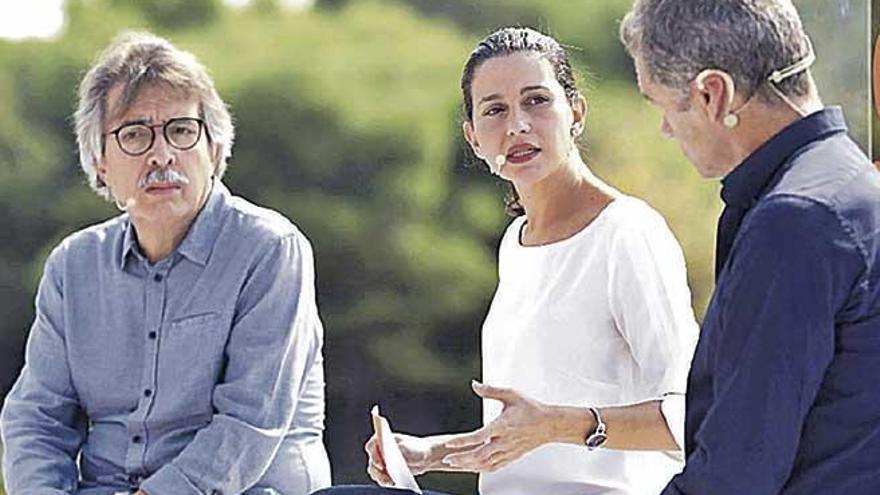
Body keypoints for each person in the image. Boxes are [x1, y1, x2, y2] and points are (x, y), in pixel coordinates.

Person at [314, 26, 698, 495]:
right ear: (474, 138)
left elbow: (692, 417)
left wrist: (556, 425)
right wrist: (432, 454)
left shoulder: (628, 233)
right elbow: (526, 436)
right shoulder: (516, 242)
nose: (517, 125)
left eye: (536, 101)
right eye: (495, 110)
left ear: (575, 112)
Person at [0, 31, 331, 495]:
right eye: (134, 134)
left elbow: (250, 422)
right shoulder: (72, 268)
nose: (161, 155)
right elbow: (36, 419)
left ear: (214, 150)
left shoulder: (270, 250)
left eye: (180, 130)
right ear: (99, 163)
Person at [616, 1, 880, 493]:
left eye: (661, 105)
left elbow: (736, 474)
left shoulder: (798, 220)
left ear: (713, 94)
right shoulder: (848, 185)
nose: (665, 129)